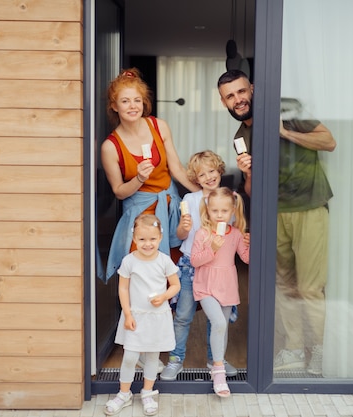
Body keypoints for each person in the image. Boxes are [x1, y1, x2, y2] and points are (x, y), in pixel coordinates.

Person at [217, 69, 336, 376]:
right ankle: (295, 350)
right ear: (224, 103)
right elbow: (250, 192)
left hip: (309, 207)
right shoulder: (240, 138)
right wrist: (249, 172)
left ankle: (319, 353)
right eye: (230, 96)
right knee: (283, 286)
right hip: (273, 214)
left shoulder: (287, 109)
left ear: (252, 89)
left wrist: (285, 133)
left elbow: (329, 141)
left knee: (310, 287)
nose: (238, 100)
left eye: (241, 92)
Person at [101, 67, 199, 372]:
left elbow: (178, 171)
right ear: (114, 106)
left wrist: (204, 195)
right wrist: (138, 179)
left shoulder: (159, 126)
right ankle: (141, 353)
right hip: (140, 218)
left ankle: (159, 348)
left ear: (145, 103)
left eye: (138, 100)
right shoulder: (110, 146)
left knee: (168, 278)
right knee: (141, 284)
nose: (133, 106)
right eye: (125, 101)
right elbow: (119, 192)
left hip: (168, 210)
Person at [160, 151, 239, 381]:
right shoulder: (190, 201)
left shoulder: (228, 200)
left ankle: (215, 360)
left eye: (212, 171)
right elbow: (180, 235)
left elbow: (232, 234)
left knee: (216, 319)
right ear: (195, 178)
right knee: (183, 315)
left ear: (220, 170)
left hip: (215, 267)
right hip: (189, 266)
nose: (208, 177)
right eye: (202, 174)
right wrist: (184, 227)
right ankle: (176, 359)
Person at [104, 214, 181, 416]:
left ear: (160, 238)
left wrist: (164, 296)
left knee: (152, 358)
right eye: (142, 239)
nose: (147, 244)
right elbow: (123, 289)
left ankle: (147, 392)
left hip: (157, 317)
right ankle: (124, 393)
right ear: (133, 239)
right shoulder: (129, 261)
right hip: (136, 316)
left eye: (152, 239)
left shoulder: (164, 261)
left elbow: (176, 285)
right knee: (130, 357)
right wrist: (127, 314)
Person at [191, 187, 250, 397]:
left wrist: (250, 245)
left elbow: (246, 258)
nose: (219, 215)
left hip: (227, 285)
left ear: (233, 210)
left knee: (222, 329)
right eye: (214, 210)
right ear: (208, 210)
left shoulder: (235, 234)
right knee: (218, 323)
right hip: (205, 285)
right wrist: (212, 249)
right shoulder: (203, 233)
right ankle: (218, 373)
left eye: (224, 211)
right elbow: (195, 260)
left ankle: (217, 362)